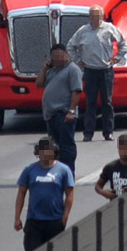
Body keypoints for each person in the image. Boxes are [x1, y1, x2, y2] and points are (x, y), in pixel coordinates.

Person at [67, 5, 127, 142]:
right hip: (90, 71)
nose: (95, 18)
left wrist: (117, 58)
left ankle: (108, 132)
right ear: (89, 17)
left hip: (106, 70)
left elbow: (123, 43)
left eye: (98, 16)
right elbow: (70, 46)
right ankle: (88, 133)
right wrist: (78, 61)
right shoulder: (82, 31)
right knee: (90, 103)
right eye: (93, 16)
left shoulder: (110, 28)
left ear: (102, 16)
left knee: (107, 102)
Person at [14, 137, 75, 251]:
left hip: (55, 221)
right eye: (41, 150)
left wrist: (64, 218)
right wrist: (17, 217)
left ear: (54, 152)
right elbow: (21, 194)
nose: (44, 154)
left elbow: (70, 195)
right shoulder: (29, 170)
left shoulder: (63, 170)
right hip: (34, 222)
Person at [36, 43, 83, 174]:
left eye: (59, 55)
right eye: (54, 57)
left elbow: (76, 91)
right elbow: (38, 84)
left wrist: (71, 111)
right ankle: (57, 172)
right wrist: (44, 69)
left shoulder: (73, 69)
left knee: (66, 146)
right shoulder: (52, 70)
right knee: (54, 147)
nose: (57, 59)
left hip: (63, 113)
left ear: (66, 54)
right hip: (51, 115)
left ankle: (68, 173)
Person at [95, 133, 127, 200]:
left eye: (126, 149)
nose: (123, 152)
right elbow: (98, 186)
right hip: (115, 206)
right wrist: (103, 192)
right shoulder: (110, 167)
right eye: (121, 148)